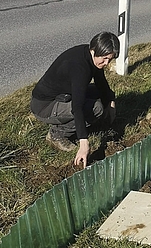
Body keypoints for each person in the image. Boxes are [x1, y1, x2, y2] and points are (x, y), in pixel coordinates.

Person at [31, 31, 120, 168]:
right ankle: (56, 134)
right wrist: (84, 144)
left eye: (110, 59)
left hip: (63, 94)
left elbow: (100, 82)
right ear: (94, 50)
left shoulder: (91, 56)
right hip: (44, 106)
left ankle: (91, 121)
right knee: (96, 108)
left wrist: (111, 103)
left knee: (99, 94)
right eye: (104, 58)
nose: (107, 63)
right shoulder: (80, 68)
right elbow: (77, 108)